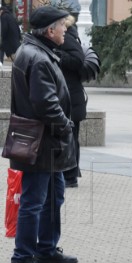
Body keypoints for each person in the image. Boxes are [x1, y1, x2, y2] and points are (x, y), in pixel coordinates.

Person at [8, 6, 78, 263]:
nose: (66, 30)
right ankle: (23, 256)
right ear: (50, 30)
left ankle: (46, 249)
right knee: (35, 200)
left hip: (47, 141)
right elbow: (45, 102)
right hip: (42, 140)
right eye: (63, 26)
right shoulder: (37, 57)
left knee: (53, 197)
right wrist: (65, 125)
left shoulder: (39, 52)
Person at [58, 14, 87, 187]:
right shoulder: (69, 37)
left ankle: (70, 176)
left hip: (71, 98)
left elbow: (78, 60)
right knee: (70, 137)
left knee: (70, 138)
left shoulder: (68, 38)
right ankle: (70, 173)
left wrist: (58, 55)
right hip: (70, 97)